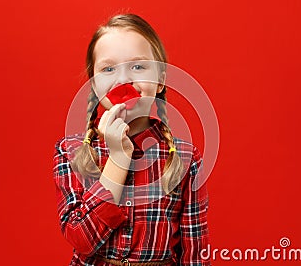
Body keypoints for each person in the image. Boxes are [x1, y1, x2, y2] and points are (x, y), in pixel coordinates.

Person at [53, 13, 210, 266]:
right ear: (94, 85)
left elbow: (195, 253)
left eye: (138, 66)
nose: (124, 80)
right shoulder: (70, 151)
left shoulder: (185, 158)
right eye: (108, 69)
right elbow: (81, 239)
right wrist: (118, 158)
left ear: (160, 80)